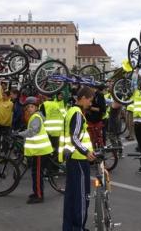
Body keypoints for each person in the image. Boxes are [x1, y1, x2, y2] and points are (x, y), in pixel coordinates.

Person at [61, 86, 95, 231]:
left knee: (71, 196)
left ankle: (69, 227)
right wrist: (86, 152)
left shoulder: (71, 110)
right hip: (79, 159)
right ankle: (78, 227)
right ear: (82, 98)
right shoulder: (78, 114)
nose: (90, 103)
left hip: (72, 159)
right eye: (90, 100)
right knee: (81, 197)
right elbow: (75, 137)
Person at [17, 96, 53, 204]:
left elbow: (33, 131)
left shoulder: (36, 117)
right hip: (39, 151)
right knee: (35, 173)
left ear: (36, 107)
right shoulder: (35, 116)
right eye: (28, 107)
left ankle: (39, 196)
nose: (29, 109)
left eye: (32, 106)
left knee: (37, 174)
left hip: (40, 151)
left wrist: (19, 134)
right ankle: (36, 192)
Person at [0, 80, 13, 155]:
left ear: (9, 96)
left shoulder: (11, 104)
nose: (3, 96)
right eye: (3, 95)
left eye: (4, 95)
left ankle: (5, 154)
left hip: (7, 126)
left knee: (5, 141)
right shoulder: (0, 101)